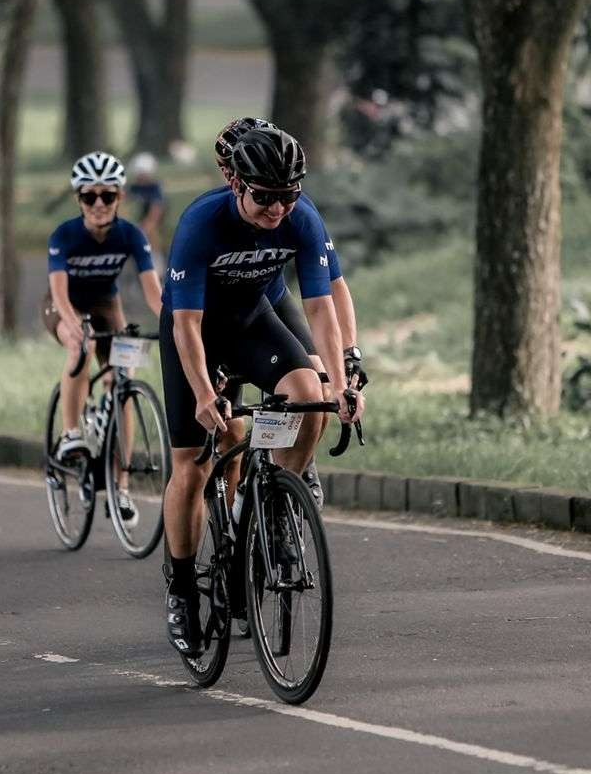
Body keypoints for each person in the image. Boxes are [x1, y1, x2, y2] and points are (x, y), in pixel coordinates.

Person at [158, 124, 363, 656]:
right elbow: (185, 324)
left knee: (308, 392)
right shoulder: (201, 223)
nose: (278, 209)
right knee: (193, 464)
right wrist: (204, 392)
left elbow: (320, 307)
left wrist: (341, 385)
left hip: (252, 318)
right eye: (266, 197)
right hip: (196, 329)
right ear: (235, 184)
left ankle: (273, 501)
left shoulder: (302, 217)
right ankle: (182, 590)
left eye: (288, 196)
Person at [205, 117, 369, 504]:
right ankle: (233, 520)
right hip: (217, 314)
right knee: (230, 432)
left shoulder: (297, 209)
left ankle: (290, 473)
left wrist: (349, 352)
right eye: (230, 167)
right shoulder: (219, 215)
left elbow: (333, 285)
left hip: (270, 302)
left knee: (319, 378)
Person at [44, 152, 164, 521]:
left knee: (122, 382)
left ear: (120, 197)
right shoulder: (64, 235)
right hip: (62, 304)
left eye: (107, 196)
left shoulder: (131, 235)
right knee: (85, 344)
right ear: (78, 199)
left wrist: (179, 325)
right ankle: (69, 432)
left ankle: (121, 487)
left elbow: (155, 294)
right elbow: (60, 295)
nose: (98, 204)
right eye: (89, 197)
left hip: (106, 303)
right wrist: (75, 325)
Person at [128, 151, 166, 256]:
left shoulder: (155, 188)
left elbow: (156, 212)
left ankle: (156, 261)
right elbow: (121, 203)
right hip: (139, 221)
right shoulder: (134, 187)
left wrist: (143, 228)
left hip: (153, 224)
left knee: (152, 232)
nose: (139, 178)